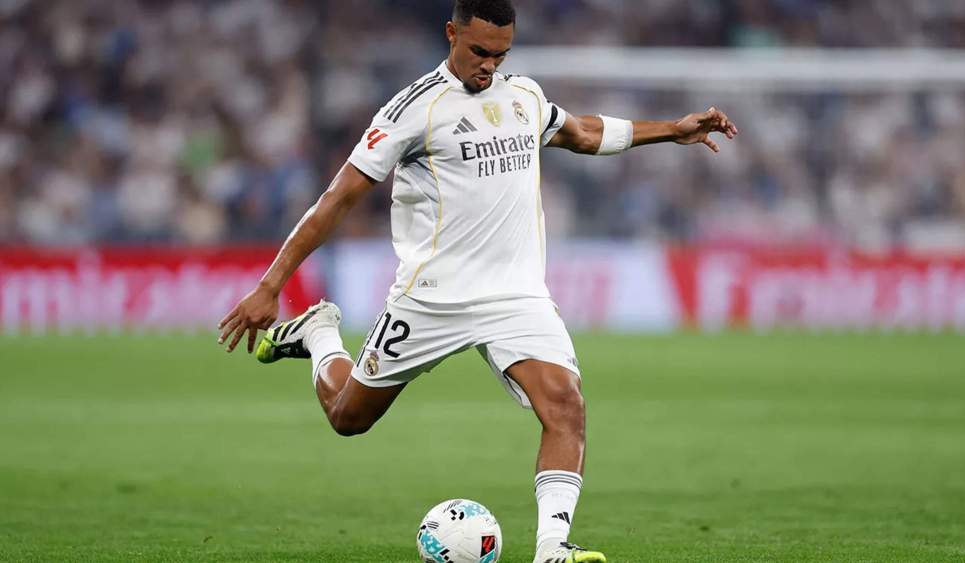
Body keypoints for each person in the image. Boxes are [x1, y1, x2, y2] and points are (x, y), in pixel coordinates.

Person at [217, 1, 737, 561]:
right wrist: (271, 285)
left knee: (565, 405)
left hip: (515, 295)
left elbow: (583, 132)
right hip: (431, 300)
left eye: (501, 55)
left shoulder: (524, 97)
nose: (489, 65)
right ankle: (320, 332)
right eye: (480, 52)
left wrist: (671, 131)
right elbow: (337, 198)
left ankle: (552, 548)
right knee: (348, 417)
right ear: (452, 33)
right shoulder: (412, 110)